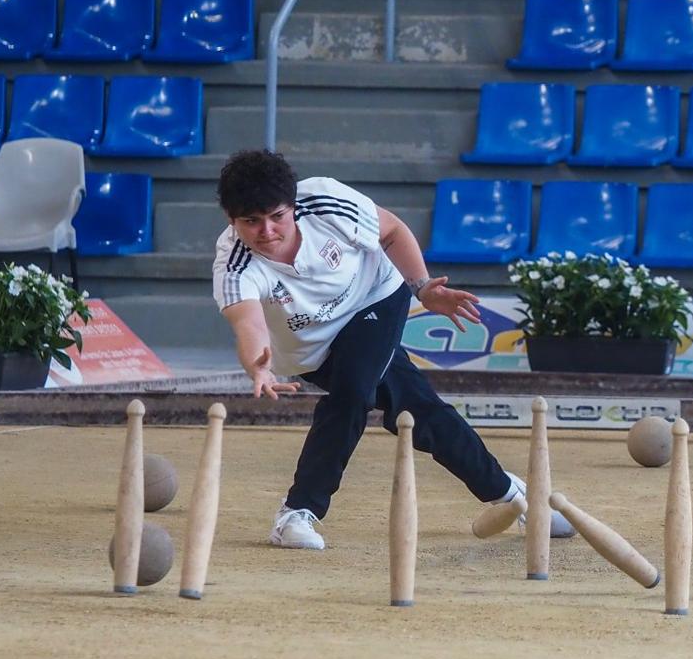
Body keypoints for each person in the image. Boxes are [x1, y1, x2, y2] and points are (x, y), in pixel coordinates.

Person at [211, 149, 571, 548]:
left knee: (352, 393)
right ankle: (510, 493)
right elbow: (249, 323)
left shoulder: (327, 200)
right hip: (312, 352)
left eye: (277, 216)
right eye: (251, 222)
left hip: (375, 298)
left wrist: (422, 287)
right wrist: (258, 368)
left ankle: (298, 511)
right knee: (415, 407)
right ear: (231, 220)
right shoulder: (233, 265)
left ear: (292, 206)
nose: (267, 231)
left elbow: (393, 231)